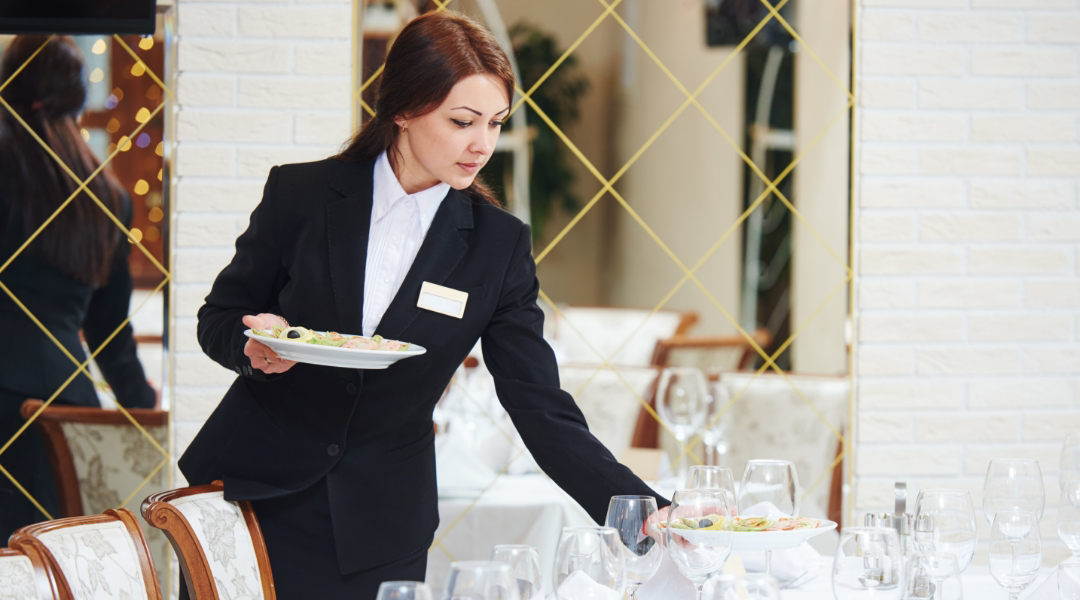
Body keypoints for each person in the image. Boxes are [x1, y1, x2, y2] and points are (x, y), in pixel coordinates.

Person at [180, 10, 667, 599]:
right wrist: (252, 343)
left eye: (495, 123)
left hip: (381, 520)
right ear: (405, 110)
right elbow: (220, 318)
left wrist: (639, 511)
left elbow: (538, 403)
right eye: (462, 121)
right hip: (254, 498)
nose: (482, 144)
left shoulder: (498, 245)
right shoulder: (302, 194)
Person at [0, 35, 156, 538]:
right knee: (48, 570)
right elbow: (110, 330)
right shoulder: (106, 192)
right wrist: (142, 407)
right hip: (66, 411)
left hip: (4, 402)